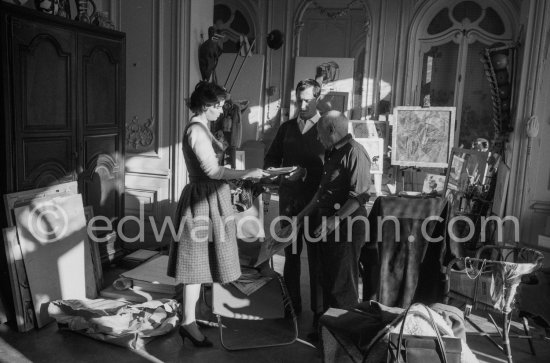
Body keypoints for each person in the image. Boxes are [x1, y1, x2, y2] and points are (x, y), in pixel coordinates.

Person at [167, 81, 268, 347]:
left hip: (208, 198)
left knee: (202, 262)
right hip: (202, 201)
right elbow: (213, 172)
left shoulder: (202, 128)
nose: (222, 110)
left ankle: (192, 316)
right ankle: (188, 323)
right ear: (206, 105)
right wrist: (248, 173)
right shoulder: (197, 131)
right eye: (219, 105)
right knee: (195, 264)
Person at [297, 110, 372, 311]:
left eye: (319, 132)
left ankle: (341, 336)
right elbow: (323, 192)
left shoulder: (354, 151)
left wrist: (335, 219)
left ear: (331, 129)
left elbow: (361, 194)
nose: (316, 137)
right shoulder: (332, 152)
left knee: (342, 284)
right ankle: (327, 329)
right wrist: (301, 216)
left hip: (346, 224)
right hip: (328, 223)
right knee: (326, 278)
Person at [264, 79, 325, 318]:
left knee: (317, 260)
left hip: (317, 204)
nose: (303, 104)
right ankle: (291, 308)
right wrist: (281, 174)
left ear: (318, 99)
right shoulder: (286, 129)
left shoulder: (326, 128)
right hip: (289, 201)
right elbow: (270, 161)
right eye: (299, 100)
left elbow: (332, 170)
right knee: (290, 255)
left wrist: (306, 173)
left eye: (308, 100)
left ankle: (320, 314)